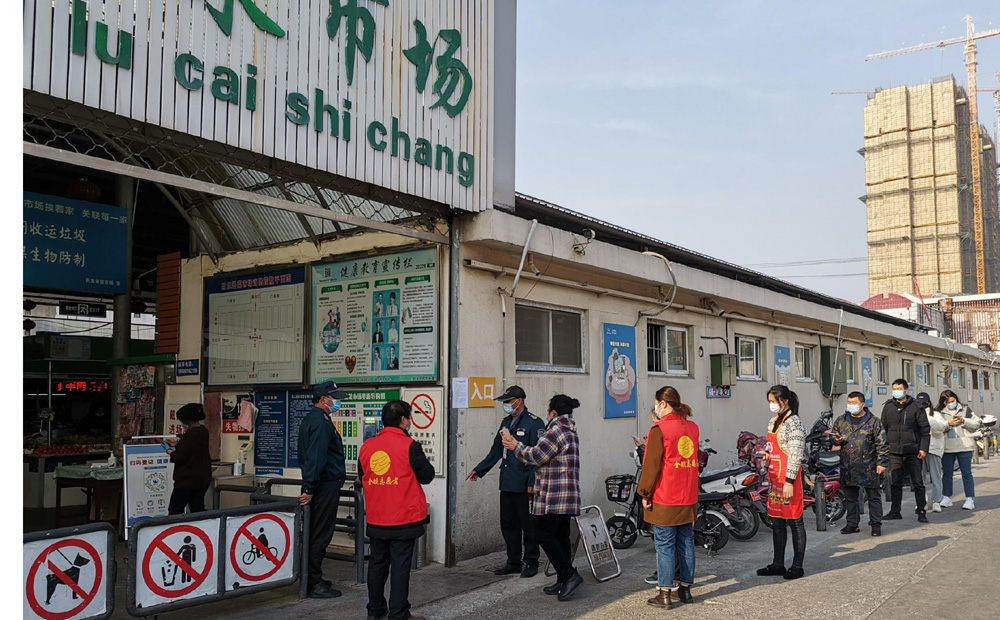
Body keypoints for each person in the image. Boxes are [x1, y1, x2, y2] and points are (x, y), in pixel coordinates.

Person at [501, 395, 583, 601]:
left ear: (553, 412)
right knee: (560, 537)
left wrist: (515, 445)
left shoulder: (555, 430)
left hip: (554, 495)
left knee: (542, 534)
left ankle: (569, 575)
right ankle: (564, 579)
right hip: (566, 494)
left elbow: (537, 456)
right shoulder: (570, 429)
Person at [359, 400, 434, 620]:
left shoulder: (367, 446)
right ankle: (399, 614)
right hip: (403, 517)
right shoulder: (410, 446)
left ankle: (375, 610)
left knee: (377, 564)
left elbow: (363, 476)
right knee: (400, 568)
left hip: (377, 517)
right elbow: (427, 475)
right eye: (409, 417)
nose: (410, 421)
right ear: (403, 420)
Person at [466, 386, 546, 578]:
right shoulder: (506, 422)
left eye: (509, 401)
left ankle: (531, 562)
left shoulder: (534, 423)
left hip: (524, 483)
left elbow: (537, 455)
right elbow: (495, 451)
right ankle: (513, 562)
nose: (506, 405)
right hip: (508, 482)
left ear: (520, 401)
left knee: (529, 525)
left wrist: (532, 480)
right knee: (508, 524)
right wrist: (480, 469)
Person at [637, 387, 698, 608]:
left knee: (664, 545)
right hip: (688, 495)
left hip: (666, 496)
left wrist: (645, 493)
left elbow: (651, 466)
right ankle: (685, 590)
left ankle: (664, 593)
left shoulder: (659, 429)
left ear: (663, 404)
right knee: (686, 542)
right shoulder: (692, 427)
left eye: (657, 403)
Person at [297, 381, 348, 598]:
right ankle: (313, 583)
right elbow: (316, 457)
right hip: (324, 486)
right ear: (323, 399)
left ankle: (311, 577)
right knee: (319, 535)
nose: (337, 401)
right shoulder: (321, 423)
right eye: (334, 398)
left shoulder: (313, 419)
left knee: (314, 533)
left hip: (319, 484)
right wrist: (309, 487)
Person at [756, 385, 807, 580]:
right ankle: (778, 564)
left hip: (788, 480)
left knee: (795, 521)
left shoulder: (794, 423)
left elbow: (795, 455)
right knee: (777, 522)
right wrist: (767, 454)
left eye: (773, 401)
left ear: (784, 401)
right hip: (775, 479)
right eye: (769, 401)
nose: (771, 405)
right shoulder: (773, 421)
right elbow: (776, 448)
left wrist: (789, 482)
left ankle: (797, 566)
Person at [831, 392, 889, 537]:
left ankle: (875, 524)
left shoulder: (873, 421)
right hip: (848, 465)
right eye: (849, 402)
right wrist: (836, 440)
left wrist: (882, 462)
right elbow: (833, 437)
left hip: (869, 465)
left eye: (854, 403)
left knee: (873, 496)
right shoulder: (841, 420)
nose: (851, 405)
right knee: (850, 497)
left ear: (862, 404)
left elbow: (882, 444)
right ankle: (852, 524)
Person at [880, 379, 930, 522]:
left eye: (899, 389)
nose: (896, 391)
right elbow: (883, 429)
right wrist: (883, 448)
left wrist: (923, 448)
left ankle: (921, 511)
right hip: (894, 451)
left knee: (917, 482)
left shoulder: (916, 406)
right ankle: (895, 511)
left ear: (906, 390)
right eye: (894, 389)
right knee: (895, 483)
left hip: (913, 450)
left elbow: (925, 429)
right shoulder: (888, 406)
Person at [162, 403, 211, 515]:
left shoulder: (189, 435)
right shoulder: (203, 431)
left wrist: (168, 450)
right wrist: (179, 443)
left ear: (186, 420)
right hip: (202, 479)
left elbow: (179, 457)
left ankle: (176, 527)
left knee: (175, 510)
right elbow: (193, 448)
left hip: (186, 480)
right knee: (197, 509)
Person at [937, 390, 981, 511]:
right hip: (947, 447)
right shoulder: (939, 413)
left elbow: (977, 423)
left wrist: (964, 421)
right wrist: (948, 424)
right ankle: (946, 497)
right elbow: (937, 428)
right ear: (944, 402)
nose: (951, 403)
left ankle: (970, 499)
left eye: (953, 401)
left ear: (956, 399)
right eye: (948, 402)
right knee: (947, 474)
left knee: (966, 473)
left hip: (965, 446)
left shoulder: (966, 410)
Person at [920, 392, 948, 513]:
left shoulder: (936, 414)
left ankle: (937, 501)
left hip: (934, 449)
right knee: (920, 478)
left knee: (936, 476)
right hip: (919, 449)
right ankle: (922, 501)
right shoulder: (914, 413)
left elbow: (942, 427)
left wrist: (928, 419)